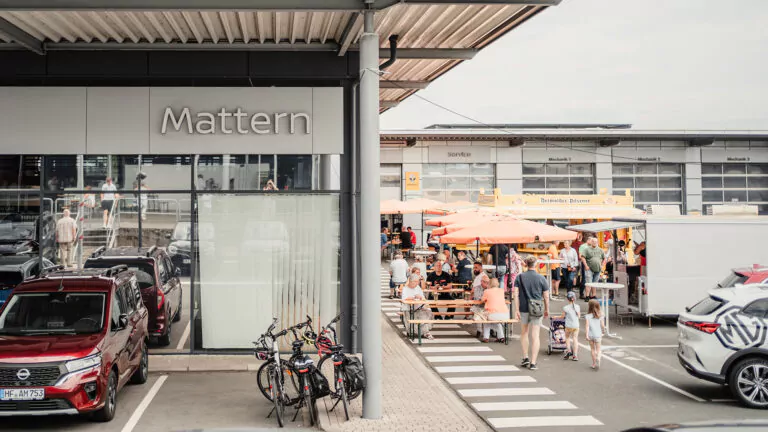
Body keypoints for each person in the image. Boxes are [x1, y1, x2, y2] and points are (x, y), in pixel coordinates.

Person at [514, 255, 550, 371]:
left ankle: (525, 357)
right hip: (537, 309)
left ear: (526, 264)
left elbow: (515, 294)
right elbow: (546, 296)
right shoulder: (541, 278)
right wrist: (546, 309)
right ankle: (533, 362)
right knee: (535, 335)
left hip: (524, 308)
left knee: (524, 332)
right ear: (536, 265)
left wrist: (516, 309)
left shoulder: (519, 277)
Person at [401, 274, 434, 340]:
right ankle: (415, 332)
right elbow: (404, 299)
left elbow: (423, 298)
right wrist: (413, 297)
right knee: (414, 315)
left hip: (419, 307)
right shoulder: (405, 289)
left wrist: (421, 297)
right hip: (408, 308)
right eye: (415, 282)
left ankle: (426, 332)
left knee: (427, 312)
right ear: (410, 281)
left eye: (417, 282)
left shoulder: (418, 288)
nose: (417, 283)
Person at [481, 278, 508, 343]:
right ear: (497, 284)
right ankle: (501, 337)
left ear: (489, 284)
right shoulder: (501, 290)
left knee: (486, 321)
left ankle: (486, 337)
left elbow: (482, 300)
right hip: (505, 314)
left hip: (493, 314)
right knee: (497, 322)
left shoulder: (487, 291)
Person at [586, 299, 606, 370]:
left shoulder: (588, 316)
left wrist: (586, 335)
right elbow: (602, 325)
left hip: (591, 335)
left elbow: (587, 326)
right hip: (598, 334)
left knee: (592, 349)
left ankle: (594, 364)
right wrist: (603, 331)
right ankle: (598, 357)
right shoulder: (601, 314)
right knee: (598, 349)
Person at [560, 291, 581, 361]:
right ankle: (575, 355)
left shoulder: (565, 308)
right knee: (575, 339)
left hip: (568, 326)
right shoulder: (577, 307)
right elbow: (579, 316)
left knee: (567, 337)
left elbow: (562, 316)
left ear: (567, 299)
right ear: (574, 298)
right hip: (576, 326)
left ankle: (569, 351)